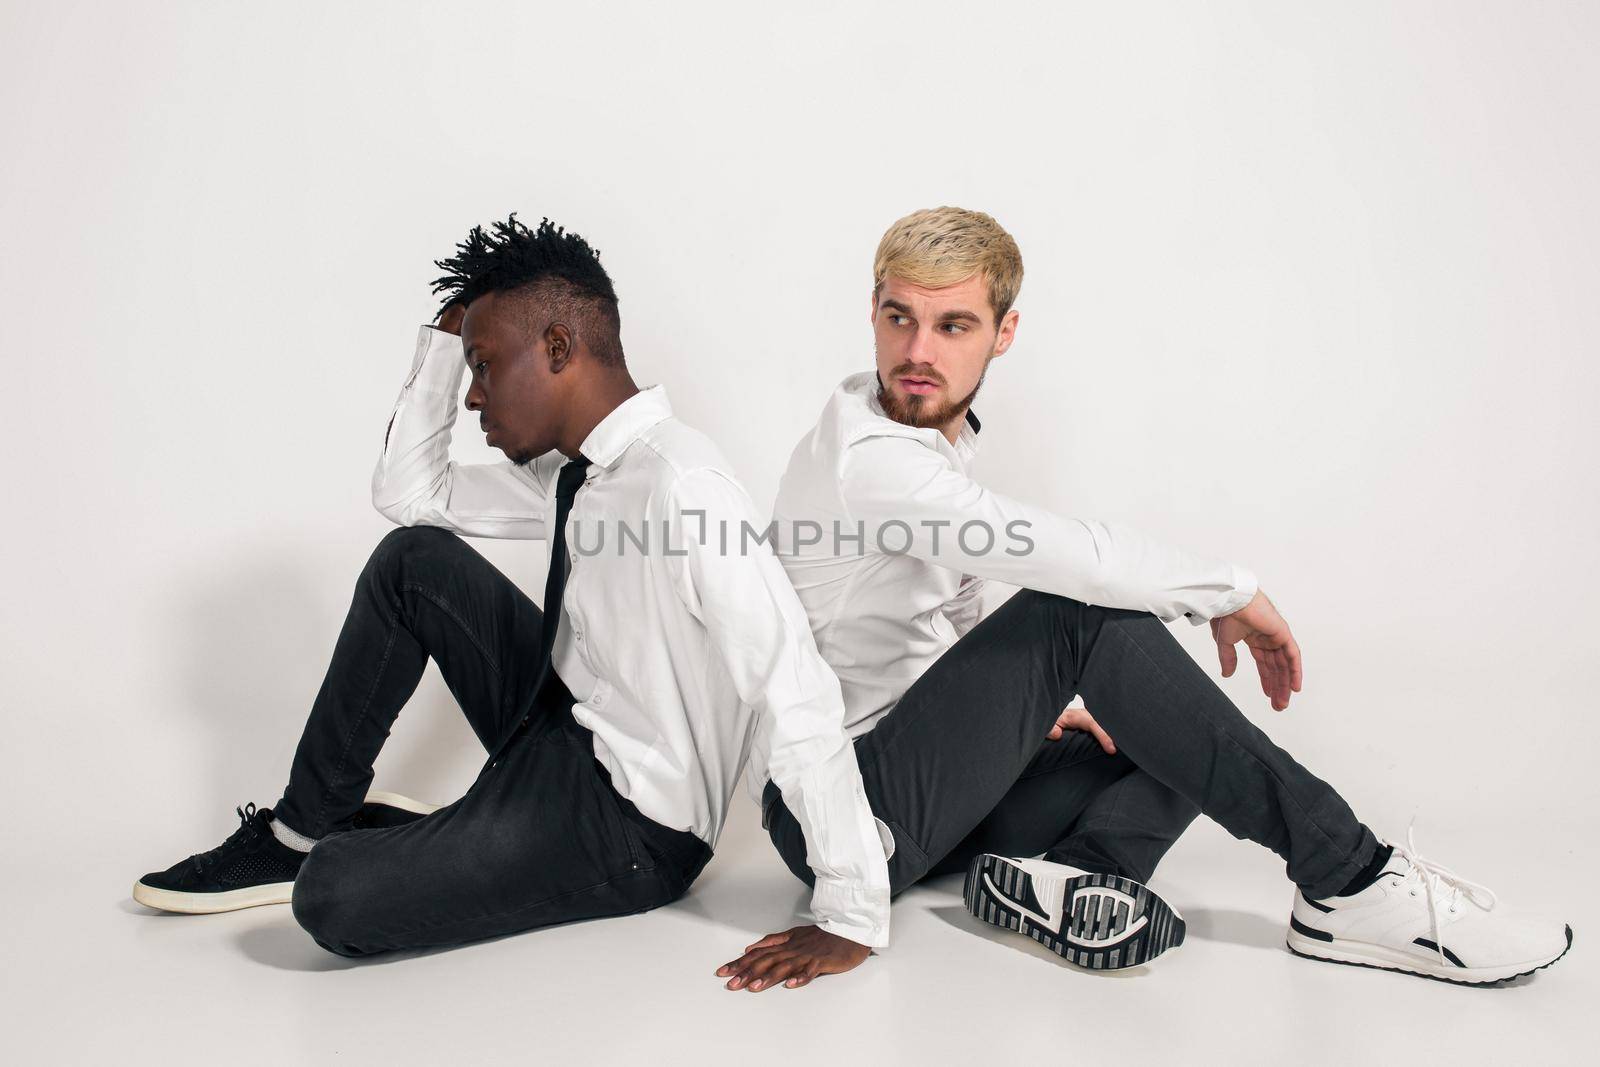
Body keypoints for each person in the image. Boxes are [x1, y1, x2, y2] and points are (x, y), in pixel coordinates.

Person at [724, 205, 1573, 987]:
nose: (919, 351)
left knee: (1170, 725)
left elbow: (932, 626)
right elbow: (1073, 561)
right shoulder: (869, 459)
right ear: (871, 309)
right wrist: (1229, 590)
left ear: (1004, 332)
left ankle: (1076, 877)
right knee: (1078, 611)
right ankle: (1348, 876)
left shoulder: (932, 442)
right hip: (846, 813)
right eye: (899, 317)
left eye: (954, 325)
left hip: (929, 792)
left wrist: (1026, 710)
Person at [132, 214, 893, 969]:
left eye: (484, 367)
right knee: (412, 562)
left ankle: (421, 837)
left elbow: (789, 680)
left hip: (628, 826)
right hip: (555, 726)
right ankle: (300, 832)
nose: (471, 398)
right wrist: (443, 344)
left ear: (557, 348)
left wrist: (851, 907)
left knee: (332, 897)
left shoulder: (683, 486)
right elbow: (412, 495)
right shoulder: (577, 473)